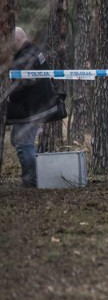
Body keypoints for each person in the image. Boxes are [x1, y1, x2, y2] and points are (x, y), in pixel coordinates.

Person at [6, 27, 57, 188]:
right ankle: (40, 173)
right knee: (17, 140)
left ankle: (31, 181)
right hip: (35, 105)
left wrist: (10, 96)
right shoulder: (32, 51)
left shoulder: (27, 55)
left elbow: (25, 82)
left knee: (23, 143)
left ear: (18, 40)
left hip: (32, 108)